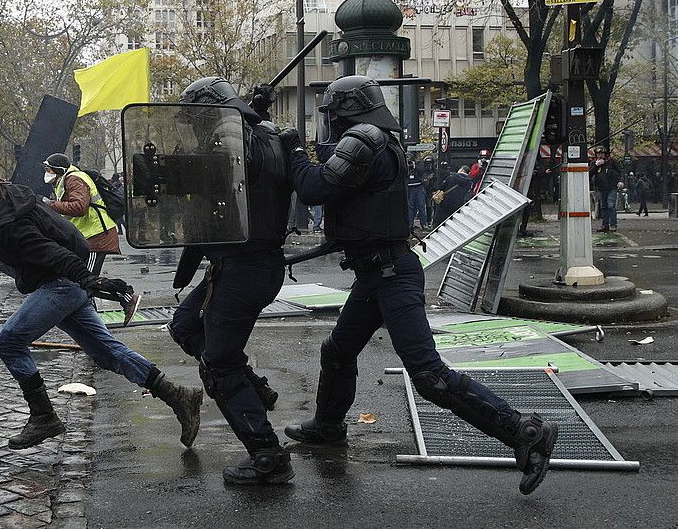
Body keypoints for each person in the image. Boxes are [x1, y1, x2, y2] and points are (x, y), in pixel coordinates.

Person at [281, 75, 558, 495]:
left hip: (391, 275)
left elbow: (316, 187)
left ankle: (525, 431)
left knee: (431, 377)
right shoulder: (375, 139)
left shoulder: (366, 140)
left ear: (346, 113)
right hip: (376, 274)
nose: (330, 125)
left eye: (332, 115)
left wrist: (294, 151)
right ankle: (328, 425)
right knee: (337, 350)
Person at [0, 170, 203, 450]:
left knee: (7, 342)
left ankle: (43, 416)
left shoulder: (8, 225)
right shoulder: (11, 200)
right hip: (64, 283)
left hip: (60, 285)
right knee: (107, 352)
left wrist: (87, 279)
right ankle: (178, 396)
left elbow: (54, 253)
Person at [165, 78, 296, 486]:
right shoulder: (262, 134)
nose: (193, 128)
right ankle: (252, 385)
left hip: (245, 268)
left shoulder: (232, 143)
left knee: (219, 364)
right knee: (185, 326)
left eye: (196, 119)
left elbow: (220, 186)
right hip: (240, 265)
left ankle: (267, 456)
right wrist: (255, 112)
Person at [43, 153, 120, 276]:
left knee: (88, 278)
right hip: (88, 236)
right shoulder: (65, 180)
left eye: (48, 170)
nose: (47, 173)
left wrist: (51, 205)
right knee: (82, 277)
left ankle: (125, 294)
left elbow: (79, 207)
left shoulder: (74, 179)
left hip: (96, 235)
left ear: (58, 170)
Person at [590, 150, 621, 232]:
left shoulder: (611, 162)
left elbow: (620, 171)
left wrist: (620, 181)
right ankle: (605, 225)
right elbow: (589, 174)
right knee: (604, 207)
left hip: (612, 187)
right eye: (598, 154)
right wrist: (596, 166)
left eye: (602, 153)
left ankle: (613, 224)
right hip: (601, 188)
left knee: (610, 205)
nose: (600, 155)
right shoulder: (594, 163)